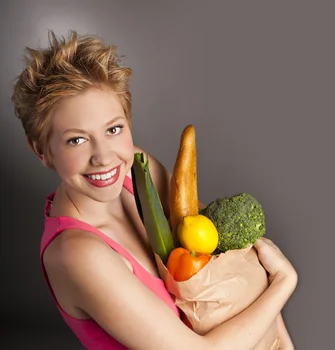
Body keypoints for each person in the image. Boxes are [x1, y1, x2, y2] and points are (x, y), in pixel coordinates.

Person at [11, 30, 297, 349]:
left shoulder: (137, 169)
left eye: (113, 129)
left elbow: (227, 267)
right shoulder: (77, 254)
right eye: (76, 139)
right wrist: (284, 282)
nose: (104, 157)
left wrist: (284, 343)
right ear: (41, 149)